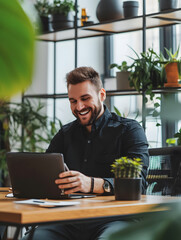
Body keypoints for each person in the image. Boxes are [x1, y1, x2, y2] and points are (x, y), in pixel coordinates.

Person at [22, 66, 149, 240]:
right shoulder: (65, 134)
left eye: (85, 98)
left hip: (113, 220)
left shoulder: (129, 130)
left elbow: (139, 183)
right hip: (68, 220)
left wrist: (91, 184)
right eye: (73, 101)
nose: (79, 106)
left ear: (102, 95)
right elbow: (45, 174)